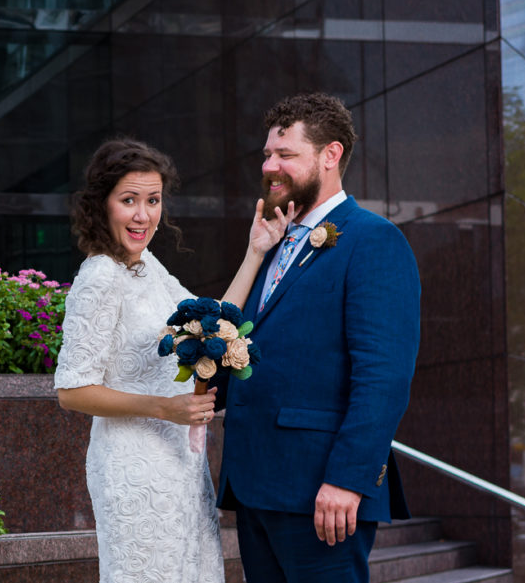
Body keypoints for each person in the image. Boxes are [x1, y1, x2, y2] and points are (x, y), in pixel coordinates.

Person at [53, 137, 294, 583]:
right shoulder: (101, 276)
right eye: (129, 200)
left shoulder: (148, 268)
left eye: (153, 200)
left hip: (179, 462)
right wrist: (164, 408)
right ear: (102, 204)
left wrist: (256, 252)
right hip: (131, 465)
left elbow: (215, 324)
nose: (143, 215)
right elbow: (71, 390)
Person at [216, 92, 421, 583]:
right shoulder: (275, 240)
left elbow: (383, 376)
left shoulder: (374, 240)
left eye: (286, 155)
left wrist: (347, 480)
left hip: (321, 492)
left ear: (330, 155)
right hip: (256, 486)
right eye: (267, 154)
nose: (271, 166)